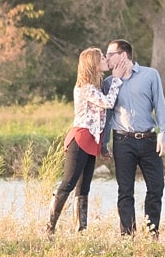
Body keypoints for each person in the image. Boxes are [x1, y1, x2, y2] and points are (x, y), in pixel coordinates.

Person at [103, 38, 165, 235]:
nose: (106, 58)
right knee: (125, 190)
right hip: (123, 141)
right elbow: (107, 115)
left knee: (156, 187)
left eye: (110, 54)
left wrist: (164, 134)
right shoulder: (109, 83)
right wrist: (103, 142)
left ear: (123, 55)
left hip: (149, 139)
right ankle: (128, 236)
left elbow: (160, 105)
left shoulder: (150, 75)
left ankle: (152, 232)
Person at [48, 47, 116, 234]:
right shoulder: (85, 87)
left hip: (92, 140)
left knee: (84, 187)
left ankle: (81, 230)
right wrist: (117, 79)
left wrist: (102, 146)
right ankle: (49, 228)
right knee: (68, 183)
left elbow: (102, 120)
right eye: (102, 57)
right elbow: (108, 103)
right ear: (93, 63)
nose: (105, 59)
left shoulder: (95, 87)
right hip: (80, 139)